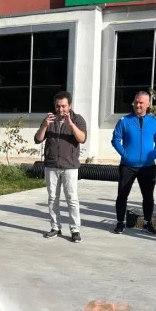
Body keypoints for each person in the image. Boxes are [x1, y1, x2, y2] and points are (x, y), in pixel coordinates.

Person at [34, 91, 87, 242]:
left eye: (63, 106)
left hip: (70, 166)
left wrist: (70, 124)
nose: (60, 109)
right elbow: (38, 139)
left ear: (69, 105)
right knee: (52, 198)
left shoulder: (78, 119)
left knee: (72, 199)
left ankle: (75, 230)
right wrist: (45, 125)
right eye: (58, 106)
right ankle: (55, 227)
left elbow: (82, 138)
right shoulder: (49, 119)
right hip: (51, 165)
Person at [111, 91, 156, 235]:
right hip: (128, 166)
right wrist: (124, 154)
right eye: (136, 102)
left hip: (147, 166)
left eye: (141, 102)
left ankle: (147, 222)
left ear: (148, 104)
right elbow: (115, 140)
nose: (138, 105)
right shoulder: (124, 121)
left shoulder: (154, 122)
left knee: (148, 196)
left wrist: (154, 152)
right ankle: (120, 223)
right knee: (122, 195)